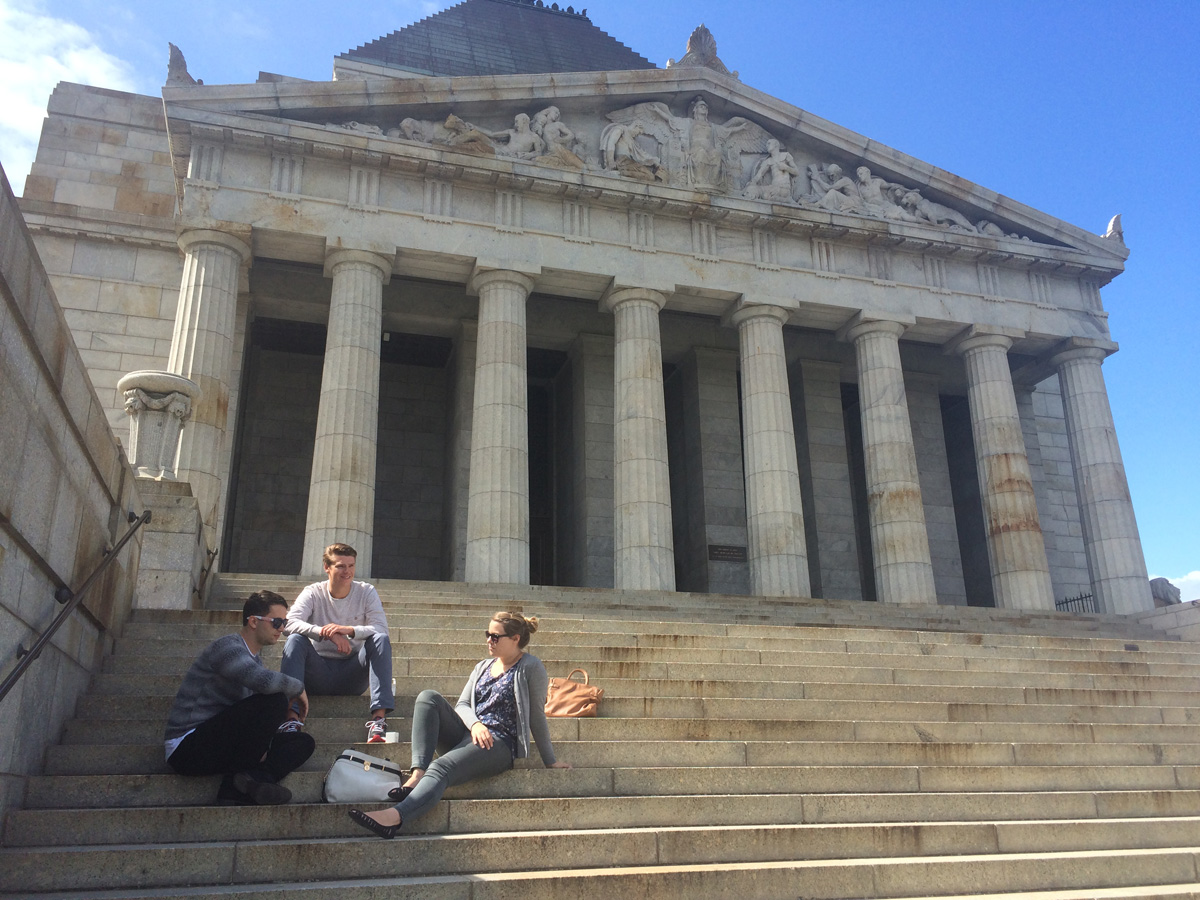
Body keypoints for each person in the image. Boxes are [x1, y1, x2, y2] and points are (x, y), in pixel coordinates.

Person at [347, 611, 570, 839]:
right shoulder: (483, 666)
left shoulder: (531, 667)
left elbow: (536, 717)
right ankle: (417, 775)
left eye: (495, 637)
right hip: (470, 734)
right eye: (487, 634)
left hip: (499, 744)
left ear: (515, 639)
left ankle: (394, 817)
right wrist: (475, 725)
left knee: (440, 767)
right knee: (428, 697)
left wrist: (550, 761)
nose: (488, 641)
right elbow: (462, 704)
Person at [163, 591, 314, 806]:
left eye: (285, 622)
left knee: (303, 742)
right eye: (277, 622)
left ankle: (250, 782)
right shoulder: (227, 648)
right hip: (187, 747)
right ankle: (242, 784)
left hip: (223, 744)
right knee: (275, 699)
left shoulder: (255, 660)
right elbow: (262, 681)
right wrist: (298, 688)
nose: (282, 629)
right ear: (253, 621)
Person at [281, 543, 394, 742]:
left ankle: (378, 721)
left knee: (380, 639)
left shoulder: (366, 591)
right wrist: (324, 632)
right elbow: (288, 622)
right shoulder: (313, 592)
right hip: (317, 673)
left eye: (351, 566)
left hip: (352, 673)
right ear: (327, 567)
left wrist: (349, 630)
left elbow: (381, 629)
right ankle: (292, 719)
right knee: (295, 640)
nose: (347, 571)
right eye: (341, 566)